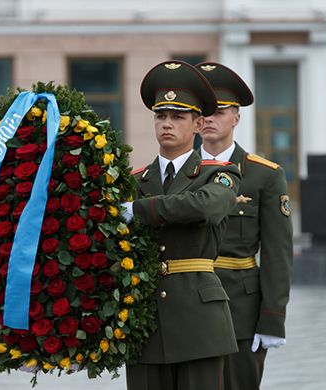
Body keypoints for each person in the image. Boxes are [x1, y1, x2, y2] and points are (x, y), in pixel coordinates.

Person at [122, 60, 241, 390]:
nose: (167, 124)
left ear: (199, 123)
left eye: (178, 116)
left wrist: (139, 210)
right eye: (161, 116)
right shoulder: (134, 181)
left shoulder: (219, 173)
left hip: (198, 320)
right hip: (145, 320)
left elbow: (206, 206)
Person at [196, 61, 293, 390]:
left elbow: (278, 253)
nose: (209, 118)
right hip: (185, 310)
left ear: (236, 117)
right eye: (203, 111)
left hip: (239, 310)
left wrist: (273, 318)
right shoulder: (178, 172)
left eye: (219, 110)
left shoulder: (264, 175)